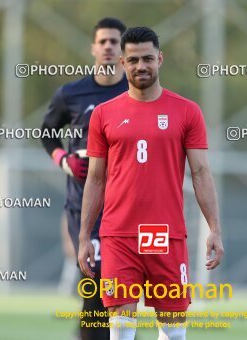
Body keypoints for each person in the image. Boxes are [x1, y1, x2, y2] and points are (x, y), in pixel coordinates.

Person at [78, 26, 224, 340]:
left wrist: (214, 228)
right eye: (133, 60)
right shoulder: (103, 115)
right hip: (119, 235)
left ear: (160, 59)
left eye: (147, 58)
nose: (140, 66)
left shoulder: (187, 112)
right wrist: (84, 236)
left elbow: (200, 172)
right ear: (121, 62)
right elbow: (95, 178)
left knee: (173, 331)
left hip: (166, 234)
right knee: (121, 328)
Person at [40, 17, 127, 340]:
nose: (108, 46)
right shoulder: (71, 93)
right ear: (93, 48)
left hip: (126, 206)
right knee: (95, 284)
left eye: (114, 41)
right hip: (85, 205)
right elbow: (47, 134)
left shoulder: (136, 94)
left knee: (122, 289)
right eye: (102, 41)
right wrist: (64, 161)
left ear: (123, 50)